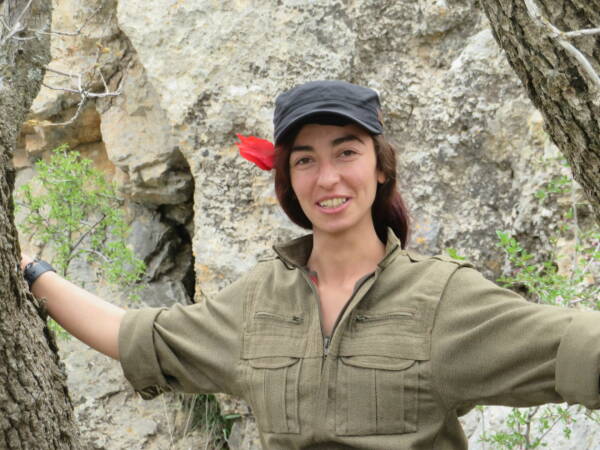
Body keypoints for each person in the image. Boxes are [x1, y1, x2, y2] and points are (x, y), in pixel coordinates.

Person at [20, 80, 600, 449]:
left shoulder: (444, 296)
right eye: (305, 160)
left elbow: (579, 347)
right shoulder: (259, 300)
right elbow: (135, 337)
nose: (328, 178)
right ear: (289, 181)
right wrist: (27, 269)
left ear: (380, 167)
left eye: (347, 152)